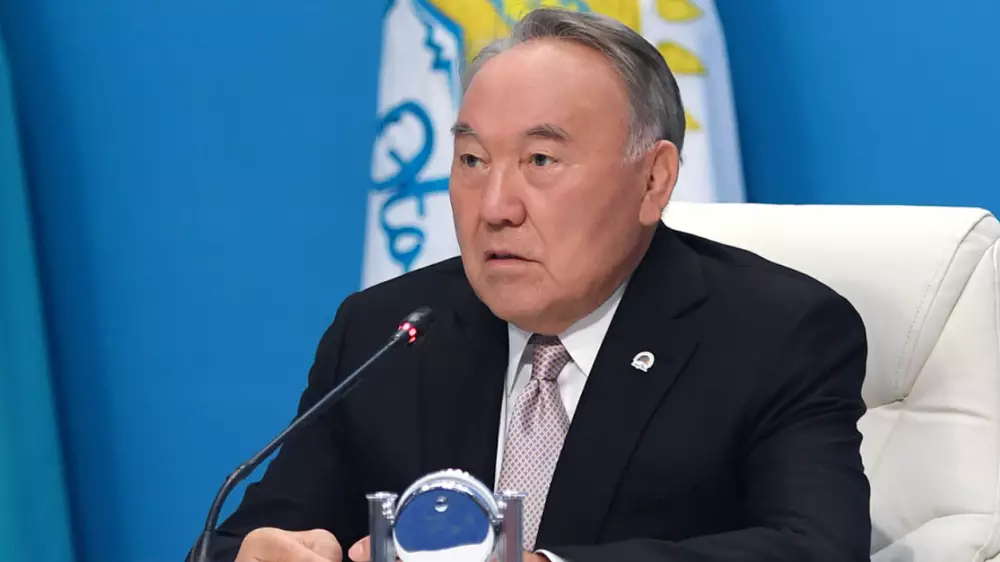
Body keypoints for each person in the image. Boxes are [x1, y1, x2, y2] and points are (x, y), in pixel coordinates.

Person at [207, 7, 871, 562]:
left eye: (541, 159)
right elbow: (241, 539)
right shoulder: (388, 332)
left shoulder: (775, 333)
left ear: (654, 180)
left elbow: (816, 548)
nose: (495, 206)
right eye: (472, 160)